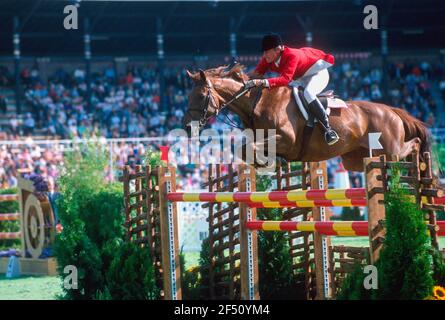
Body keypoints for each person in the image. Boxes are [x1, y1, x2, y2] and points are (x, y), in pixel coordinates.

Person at [246, 33, 339, 145]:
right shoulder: (268, 59)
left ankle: (328, 130)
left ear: (278, 49)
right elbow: (256, 73)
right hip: (300, 78)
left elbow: (285, 79)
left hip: (317, 74)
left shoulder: (292, 55)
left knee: (308, 93)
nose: (264, 55)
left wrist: (262, 82)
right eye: (264, 52)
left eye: (266, 51)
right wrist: (237, 79)